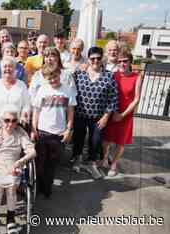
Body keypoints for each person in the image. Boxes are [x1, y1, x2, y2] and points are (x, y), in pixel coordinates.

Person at [0, 104, 36, 234]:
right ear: (2, 120)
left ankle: (11, 219)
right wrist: (2, 167)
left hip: (14, 165)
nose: (10, 124)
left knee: (12, 186)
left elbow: (32, 152)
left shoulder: (20, 133)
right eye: (7, 120)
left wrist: (19, 163)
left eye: (14, 120)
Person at [71, 46, 118, 179]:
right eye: (92, 58)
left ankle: (92, 164)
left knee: (96, 141)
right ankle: (77, 158)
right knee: (78, 137)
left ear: (102, 58)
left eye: (98, 58)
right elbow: (71, 90)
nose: (95, 61)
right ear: (89, 59)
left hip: (99, 116)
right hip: (80, 114)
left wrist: (106, 116)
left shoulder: (109, 76)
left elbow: (113, 98)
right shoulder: (79, 73)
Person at [32, 64, 76, 198]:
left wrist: (68, 129)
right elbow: (36, 111)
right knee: (40, 163)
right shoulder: (42, 90)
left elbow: (70, 112)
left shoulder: (67, 90)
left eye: (55, 77)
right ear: (45, 79)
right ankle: (37, 188)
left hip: (58, 134)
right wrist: (34, 129)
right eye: (49, 79)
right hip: (43, 132)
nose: (53, 80)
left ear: (59, 74)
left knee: (52, 163)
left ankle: (47, 188)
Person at [101, 48, 142, 176]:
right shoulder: (113, 75)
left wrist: (123, 115)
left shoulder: (137, 77)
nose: (122, 64)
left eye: (125, 61)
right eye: (120, 61)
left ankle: (114, 163)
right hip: (113, 112)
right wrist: (111, 113)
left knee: (120, 141)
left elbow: (136, 99)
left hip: (126, 114)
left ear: (130, 62)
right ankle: (104, 158)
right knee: (106, 139)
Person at [0, 56, 31, 125]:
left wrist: (24, 114)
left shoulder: (22, 85)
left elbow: (27, 104)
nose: (7, 69)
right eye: (5, 66)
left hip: (15, 125)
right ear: (1, 69)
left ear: (15, 69)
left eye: (10, 66)